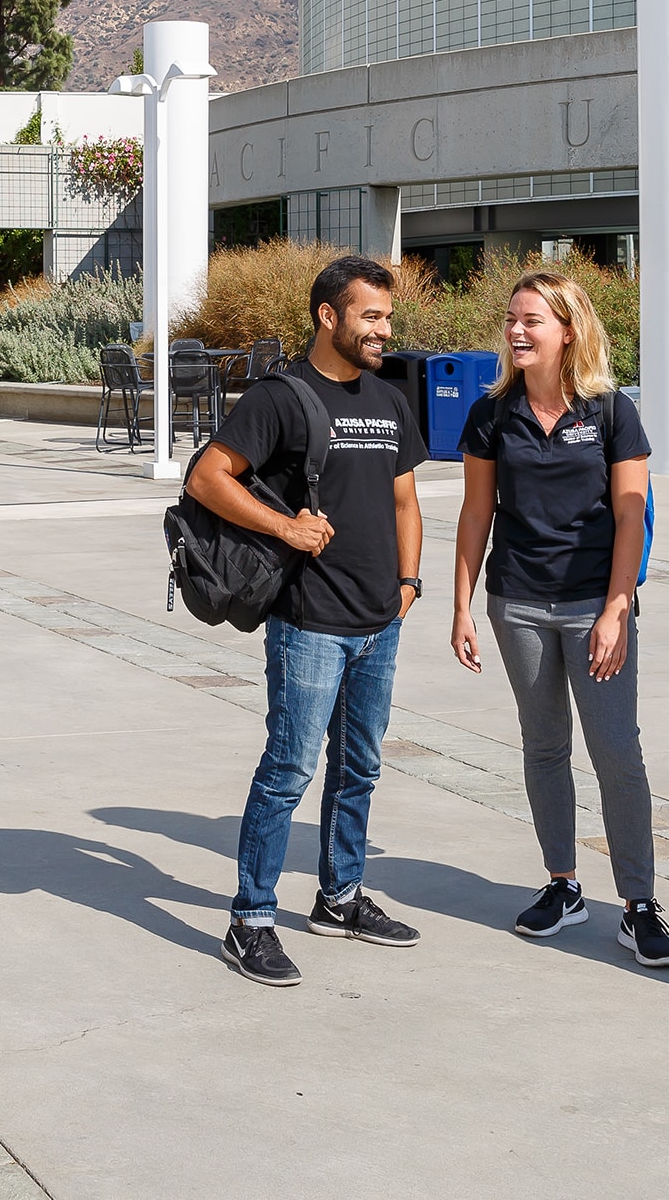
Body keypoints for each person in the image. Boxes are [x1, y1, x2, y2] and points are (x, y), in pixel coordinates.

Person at [185, 255, 430, 987]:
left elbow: (405, 502)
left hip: (378, 620)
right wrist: (285, 527)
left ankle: (341, 896)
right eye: (371, 316)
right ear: (329, 316)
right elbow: (207, 475)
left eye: (387, 316)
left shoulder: (389, 401)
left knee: (361, 767)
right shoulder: (281, 397)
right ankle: (250, 918)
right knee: (289, 769)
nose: (385, 328)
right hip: (310, 622)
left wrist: (409, 583)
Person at [450, 271, 669, 969]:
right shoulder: (492, 414)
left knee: (616, 750)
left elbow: (630, 515)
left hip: (593, 605)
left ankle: (638, 902)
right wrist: (460, 604)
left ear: (568, 329)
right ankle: (562, 883)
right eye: (513, 320)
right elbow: (475, 514)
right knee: (543, 744)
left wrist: (616, 607)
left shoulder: (611, 412)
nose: (517, 331)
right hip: (516, 600)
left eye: (533, 321)